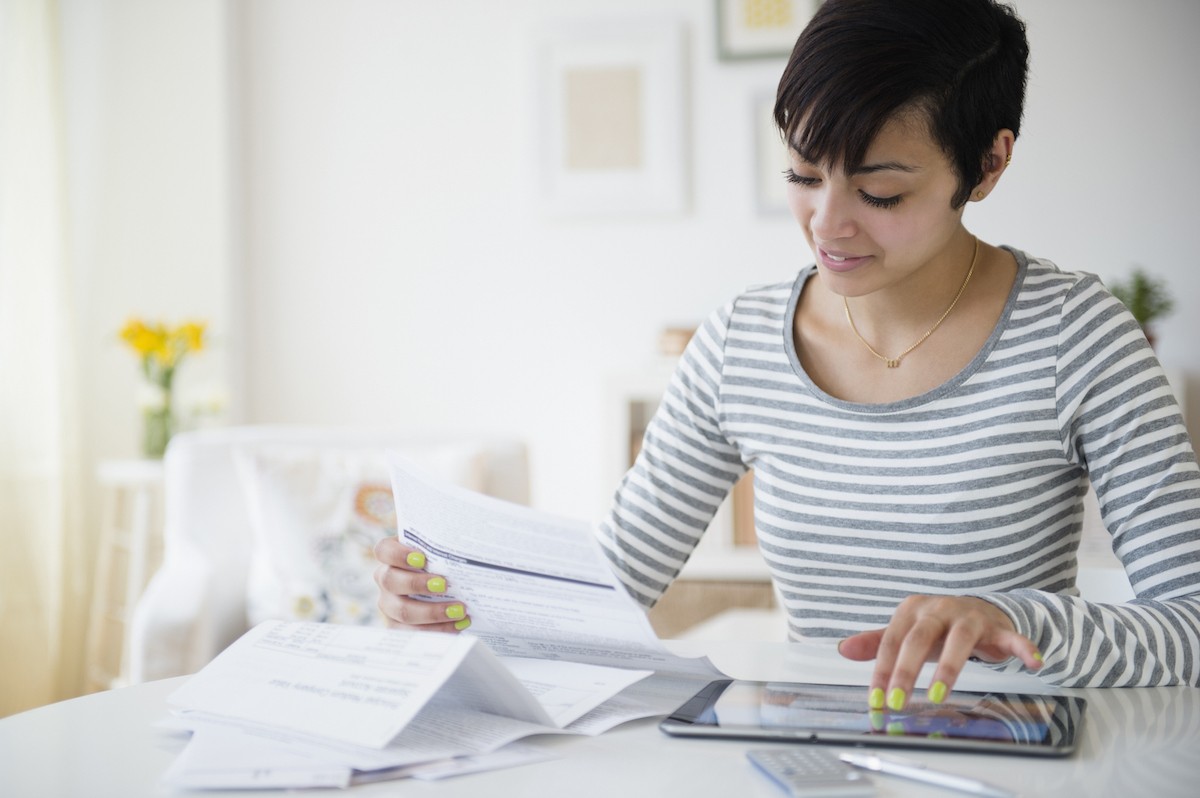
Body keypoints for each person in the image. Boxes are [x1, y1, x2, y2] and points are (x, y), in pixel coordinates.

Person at [375, 0, 1200, 711]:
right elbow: (611, 585)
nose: (827, 225)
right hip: (809, 760)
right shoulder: (741, 343)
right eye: (804, 174)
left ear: (989, 162)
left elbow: (1190, 624)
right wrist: (456, 602)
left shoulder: (1075, 336)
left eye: (881, 192)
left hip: (1006, 759)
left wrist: (1011, 619)